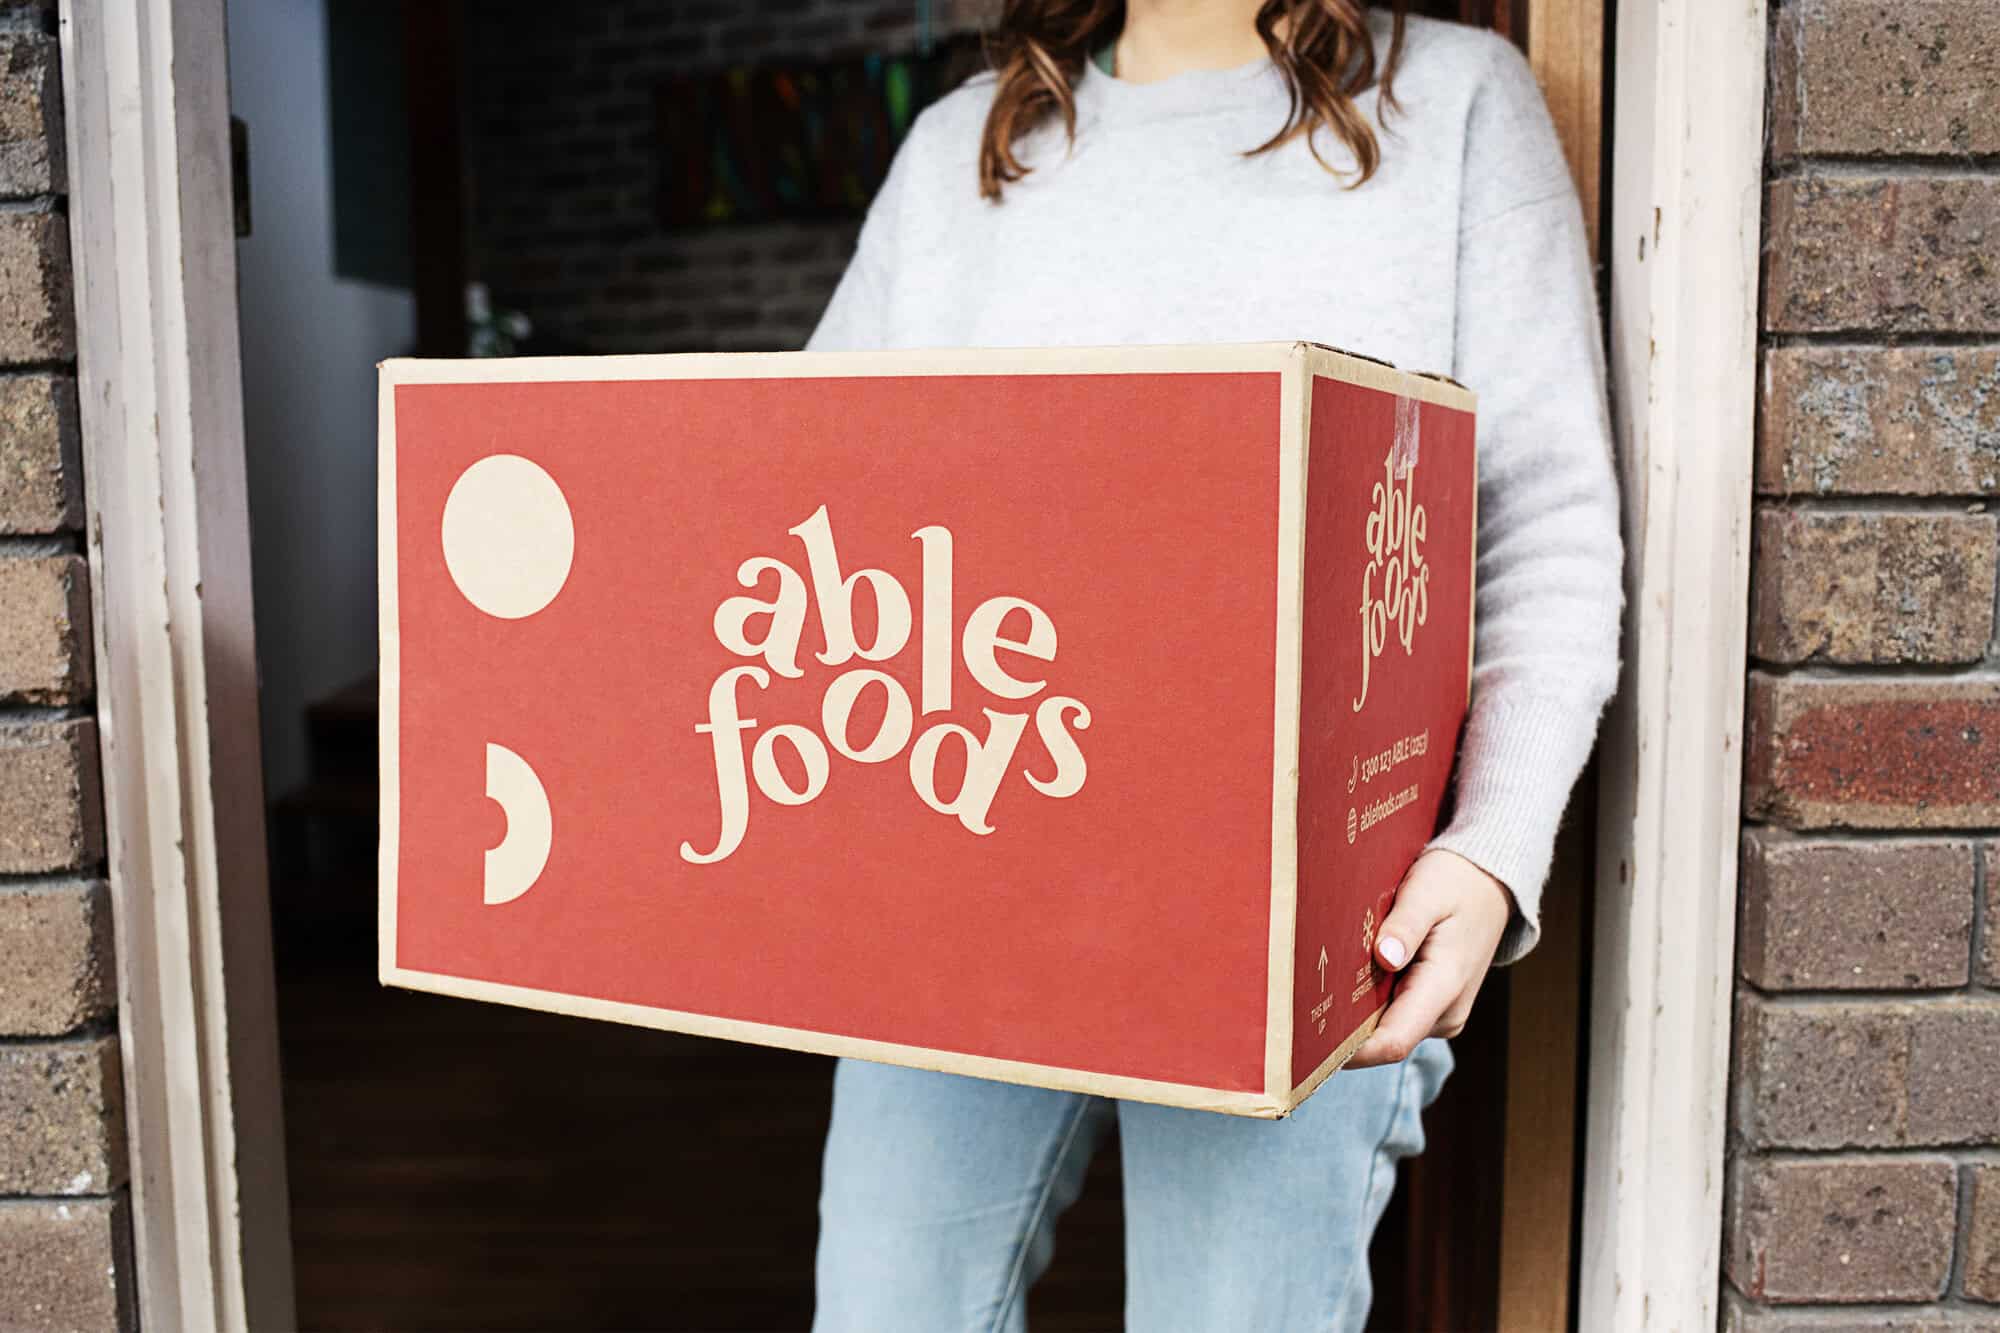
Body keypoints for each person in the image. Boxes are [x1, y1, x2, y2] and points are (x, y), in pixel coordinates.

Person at [804, 1, 1622, 1327]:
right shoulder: (963, 149)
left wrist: (1488, 850)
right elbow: (811, 486)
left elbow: (1544, 525)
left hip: (1296, 913)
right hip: (964, 859)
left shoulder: (1461, 104)